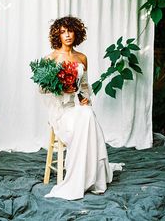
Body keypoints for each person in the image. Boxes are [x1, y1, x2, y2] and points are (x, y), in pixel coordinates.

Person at [41, 16, 124, 200]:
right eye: (63, 32)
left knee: (87, 112)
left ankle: (86, 176)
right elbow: (42, 88)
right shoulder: (51, 58)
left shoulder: (82, 58)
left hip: (79, 109)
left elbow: (85, 86)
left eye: (70, 31)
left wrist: (85, 99)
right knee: (87, 116)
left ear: (76, 32)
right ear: (58, 35)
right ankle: (87, 176)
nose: (67, 35)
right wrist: (62, 88)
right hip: (61, 111)